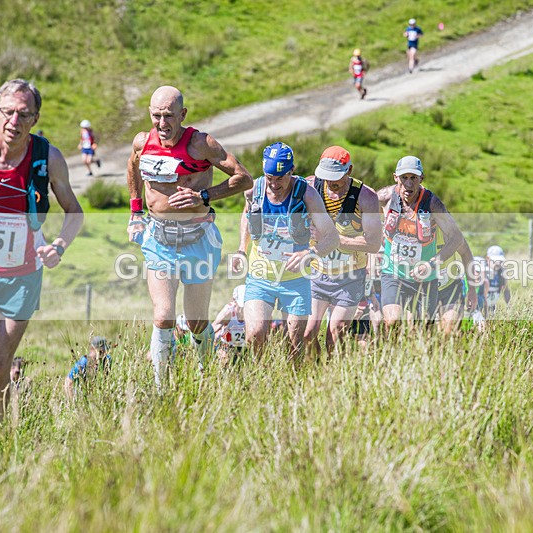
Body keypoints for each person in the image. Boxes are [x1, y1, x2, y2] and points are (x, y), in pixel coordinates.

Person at [0, 79, 84, 444]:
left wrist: (59, 245)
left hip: (22, 277)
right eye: (8, 112)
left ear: (35, 118)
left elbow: (74, 212)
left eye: (24, 114)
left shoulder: (47, 158)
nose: (14, 121)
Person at [127, 86, 252, 387]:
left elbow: (243, 178)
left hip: (199, 239)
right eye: (156, 116)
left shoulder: (201, 143)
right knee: (164, 316)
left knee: (196, 322)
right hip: (159, 240)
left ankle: (206, 376)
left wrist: (203, 194)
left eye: (169, 116)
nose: (162, 123)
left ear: (182, 114)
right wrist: (135, 211)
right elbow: (132, 166)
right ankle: (161, 389)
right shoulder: (142, 142)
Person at [234, 142, 338, 362]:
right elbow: (246, 214)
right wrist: (242, 249)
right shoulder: (255, 189)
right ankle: (260, 379)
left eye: (280, 178)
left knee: (295, 341)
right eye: (269, 177)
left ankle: (295, 384)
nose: (273, 184)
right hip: (260, 276)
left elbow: (332, 237)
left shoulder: (307, 195)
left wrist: (309, 254)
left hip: (296, 280)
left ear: (292, 171)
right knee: (255, 334)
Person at [302, 146, 382, 355]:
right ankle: (316, 374)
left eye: (336, 178)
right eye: (327, 177)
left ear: (350, 170)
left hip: (350, 278)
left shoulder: (367, 198)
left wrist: (334, 240)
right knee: (307, 333)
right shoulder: (310, 186)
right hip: (317, 274)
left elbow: (374, 244)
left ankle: (334, 374)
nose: (332, 183)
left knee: (335, 332)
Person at [379, 156, 464, 326]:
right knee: (392, 321)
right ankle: (392, 352)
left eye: (413, 178)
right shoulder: (385, 197)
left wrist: (432, 264)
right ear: (395, 177)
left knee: (423, 330)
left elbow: (456, 238)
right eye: (404, 178)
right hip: (393, 273)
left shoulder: (432, 203)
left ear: (421, 179)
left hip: (425, 278)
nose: (408, 184)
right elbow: (360, 215)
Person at [434, 231, 480, 335]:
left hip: (449, 287)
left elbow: (466, 253)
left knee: (450, 326)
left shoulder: (448, 229)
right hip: (422, 288)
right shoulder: (413, 227)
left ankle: (446, 349)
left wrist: (472, 289)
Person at [478, 246, 511, 319]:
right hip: (479, 306)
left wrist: (509, 306)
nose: (498, 263)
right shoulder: (481, 271)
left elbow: (505, 290)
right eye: (495, 260)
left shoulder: (501, 273)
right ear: (488, 259)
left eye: (500, 261)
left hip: (492, 306)